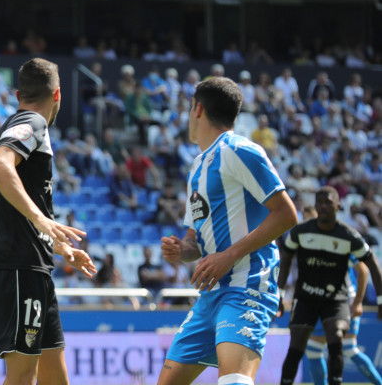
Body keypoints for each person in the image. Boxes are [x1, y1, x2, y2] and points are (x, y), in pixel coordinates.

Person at [157, 76, 298, 385]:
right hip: (211, 294)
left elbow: (287, 215)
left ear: (197, 109)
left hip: (247, 284)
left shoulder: (239, 150)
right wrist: (182, 250)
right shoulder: (197, 167)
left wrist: (228, 256)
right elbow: (195, 240)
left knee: (234, 380)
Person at [0, 58, 97, 385]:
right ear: (57, 95)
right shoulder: (32, 123)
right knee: (24, 374)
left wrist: (58, 244)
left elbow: (20, 198)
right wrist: (42, 221)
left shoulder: (17, 125)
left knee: (55, 375)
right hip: (15, 265)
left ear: (16, 93)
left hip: (33, 264)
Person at [276, 186, 382, 385]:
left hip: (342, 300)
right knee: (312, 352)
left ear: (337, 206)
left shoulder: (345, 237)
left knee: (346, 347)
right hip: (308, 299)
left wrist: (359, 302)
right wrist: (279, 294)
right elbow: (286, 261)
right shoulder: (302, 234)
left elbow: (365, 269)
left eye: (328, 204)